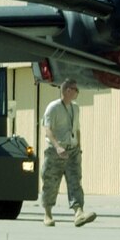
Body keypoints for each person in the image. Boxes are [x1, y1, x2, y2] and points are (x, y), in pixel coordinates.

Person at [40, 77, 95, 228]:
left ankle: (79, 213)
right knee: (51, 182)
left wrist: (79, 148)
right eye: (76, 89)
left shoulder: (75, 108)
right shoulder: (53, 107)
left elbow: (77, 129)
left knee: (75, 181)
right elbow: (48, 129)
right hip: (56, 152)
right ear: (68, 90)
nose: (78, 92)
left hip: (72, 151)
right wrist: (57, 147)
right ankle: (48, 214)